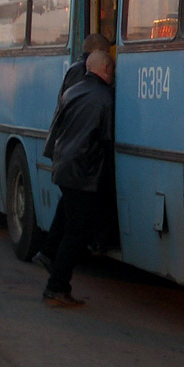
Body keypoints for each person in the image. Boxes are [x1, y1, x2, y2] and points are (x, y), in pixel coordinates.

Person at [42, 50, 115, 307]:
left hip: (64, 167)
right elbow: (106, 140)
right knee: (76, 234)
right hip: (84, 172)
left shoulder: (72, 91)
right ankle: (56, 287)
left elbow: (57, 128)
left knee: (68, 221)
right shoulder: (106, 98)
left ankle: (48, 254)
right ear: (106, 70)